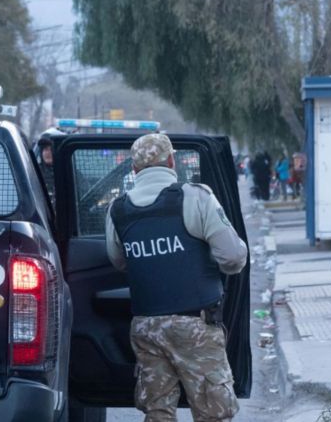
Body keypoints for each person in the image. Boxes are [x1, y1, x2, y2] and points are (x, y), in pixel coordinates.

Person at [105, 134, 249, 421]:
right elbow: (233, 257)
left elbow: (119, 261)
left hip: (146, 327)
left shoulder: (117, 209)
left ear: (134, 169)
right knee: (213, 413)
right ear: (172, 161)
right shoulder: (196, 196)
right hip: (195, 325)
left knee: (157, 413)